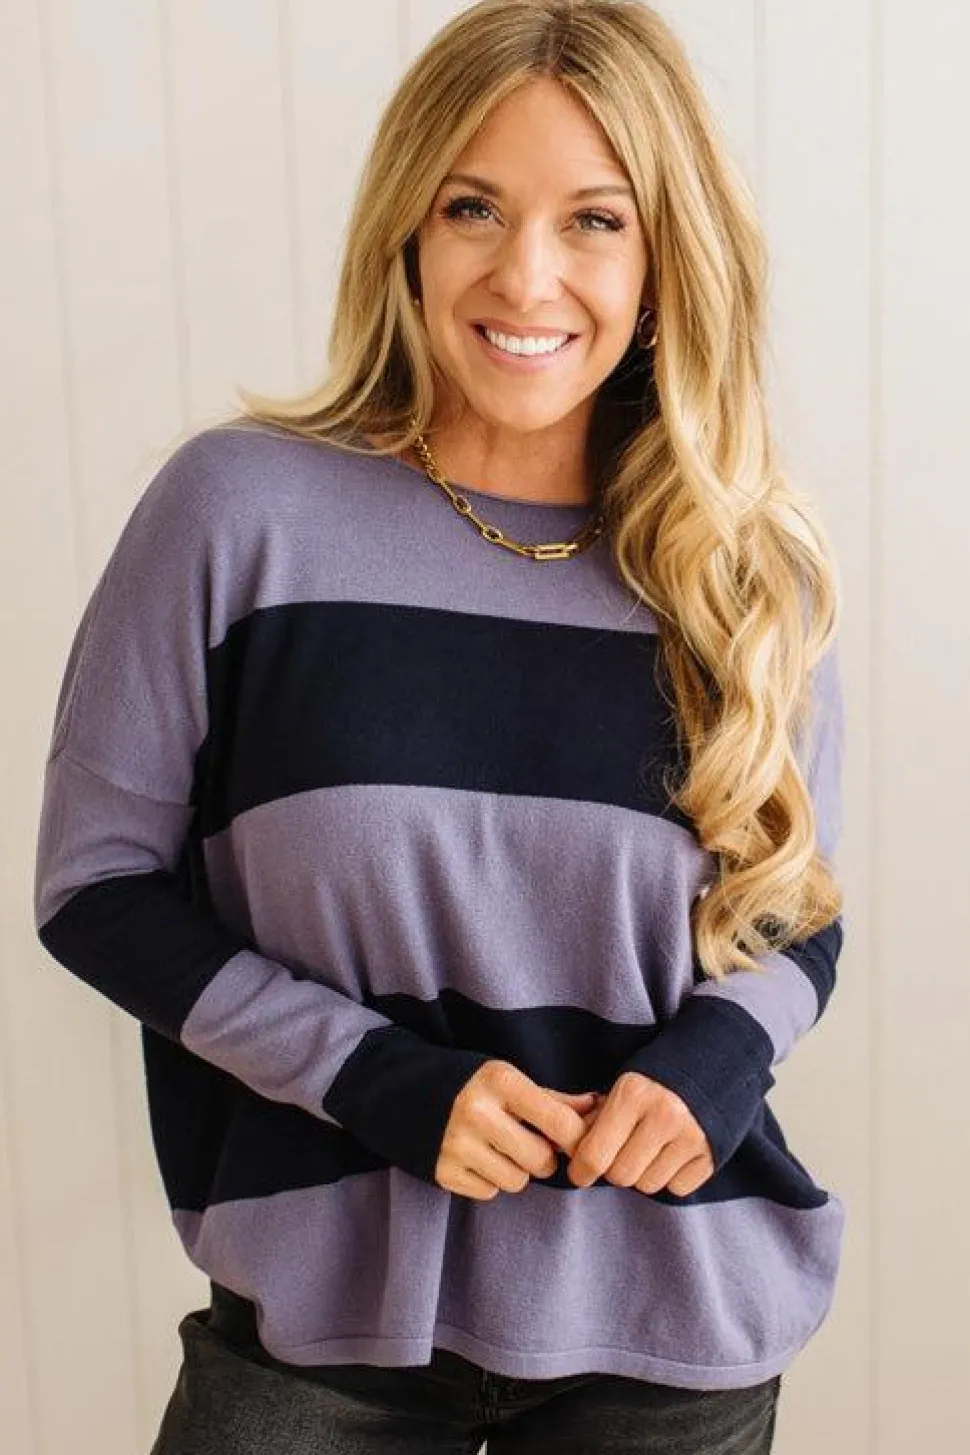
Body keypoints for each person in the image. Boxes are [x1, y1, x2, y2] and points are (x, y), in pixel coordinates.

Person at [32, 2, 847, 1451]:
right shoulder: (241, 513)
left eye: (594, 219)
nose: (526, 274)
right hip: (322, 1334)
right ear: (404, 229)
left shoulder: (741, 568)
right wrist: (371, 1078)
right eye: (474, 206)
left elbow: (794, 916)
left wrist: (715, 1061)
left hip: (672, 1322)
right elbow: (93, 888)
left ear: (666, 258)